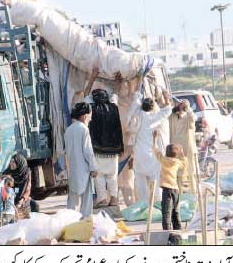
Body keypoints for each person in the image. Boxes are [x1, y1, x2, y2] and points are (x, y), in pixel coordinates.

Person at [83, 67, 124, 208]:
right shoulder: (113, 106)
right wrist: (118, 81)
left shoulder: (91, 108)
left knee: (99, 176)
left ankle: (101, 200)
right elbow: (116, 93)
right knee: (112, 175)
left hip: (98, 148)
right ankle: (114, 198)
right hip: (113, 149)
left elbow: (85, 93)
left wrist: (93, 76)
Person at [132, 91, 173, 203]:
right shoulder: (154, 118)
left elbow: (135, 102)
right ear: (152, 108)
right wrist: (166, 97)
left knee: (140, 181)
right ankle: (156, 203)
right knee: (155, 178)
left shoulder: (138, 114)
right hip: (151, 154)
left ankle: (143, 204)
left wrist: (138, 92)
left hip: (139, 153)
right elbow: (168, 110)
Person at [64, 102, 98, 218]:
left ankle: (69, 222)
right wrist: (93, 168)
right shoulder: (84, 129)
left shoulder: (68, 130)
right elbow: (88, 151)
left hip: (72, 170)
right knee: (86, 201)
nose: (90, 118)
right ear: (84, 116)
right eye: (89, 115)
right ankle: (86, 222)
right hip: (84, 169)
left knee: (72, 201)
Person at [153, 131, 187, 231]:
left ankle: (167, 232)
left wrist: (155, 138)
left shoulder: (163, 160)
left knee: (166, 212)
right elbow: (185, 163)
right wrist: (181, 152)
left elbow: (155, 150)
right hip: (175, 190)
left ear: (166, 153)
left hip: (166, 190)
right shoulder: (177, 162)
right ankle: (178, 230)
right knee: (176, 211)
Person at [169, 99, 198, 195]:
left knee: (191, 173)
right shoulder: (172, 117)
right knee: (177, 175)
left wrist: (188, 108)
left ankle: (194, 196)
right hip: (175, 149)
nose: (180, 106)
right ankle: (179, 196)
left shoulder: (188, 117)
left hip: (187, 149)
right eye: (179, 104)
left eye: (183, 105)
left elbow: (194, 118)